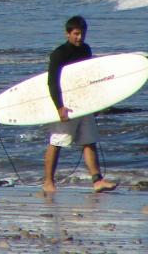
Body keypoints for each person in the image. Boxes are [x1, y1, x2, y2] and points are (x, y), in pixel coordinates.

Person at [43, 15, 118, 193]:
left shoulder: (86, 50)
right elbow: (52, 82)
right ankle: (48, 182)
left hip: (84, 102)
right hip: (66, 103)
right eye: (76, 34)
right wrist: (59, 106)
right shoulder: (59, 53)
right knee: (57, 142)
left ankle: (97, 181)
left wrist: (96, 103)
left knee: (89, 141)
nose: (80, 37)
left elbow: (88, 78)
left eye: (82, 33)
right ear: (67, 33)